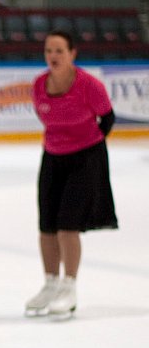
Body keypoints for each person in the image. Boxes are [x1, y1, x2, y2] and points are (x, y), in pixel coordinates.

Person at [26, 30, 116, 318]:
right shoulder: (39, 84)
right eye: (48, 51)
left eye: (59, 51)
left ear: (72, 53)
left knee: (68, 225)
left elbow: (107, 118)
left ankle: (69, 286)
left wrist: (89, 145)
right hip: (52, 157)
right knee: (47, 226)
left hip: (85, 159)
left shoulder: (88, 85)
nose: (53, 56)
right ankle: (50, 283)